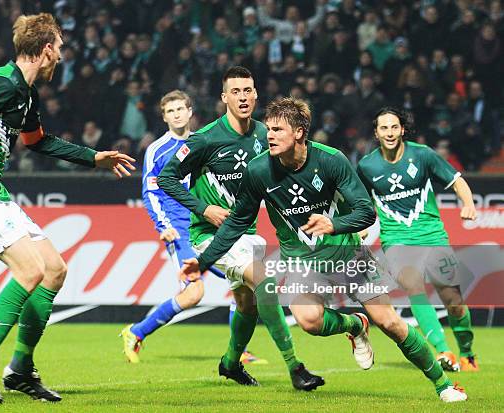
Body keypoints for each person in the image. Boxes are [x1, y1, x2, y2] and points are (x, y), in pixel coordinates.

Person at [181, 97, 467, 402]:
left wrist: (335, 225)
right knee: (309, 321)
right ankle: (356, 324)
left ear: (300, 132)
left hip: (349, 256)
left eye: (278, 129)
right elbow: (237, 222)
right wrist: (202, 261)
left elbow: (365, 212)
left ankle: (443, 384)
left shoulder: (331, 160)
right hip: (303, 263)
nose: (270, 135)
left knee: (391, 323)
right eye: (270, 129)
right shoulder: (258, 169)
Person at [0, 13, 135, 404]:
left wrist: (94, 158)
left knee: (54, 270)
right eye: (59, 48)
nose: (61, 56)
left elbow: (39, 142)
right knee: (31, 270)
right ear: (45, 50)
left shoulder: (26, 95)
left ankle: (21, 369)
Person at [158, 67, 318, 391]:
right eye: (235, 91)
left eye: (248, 91)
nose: (242, 97)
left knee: (248, 305)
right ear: (224, 98)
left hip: (249, 234)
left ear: (256, 94)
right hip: (211, 236)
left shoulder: (266, 135)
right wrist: (205, 208)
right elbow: (166, 178)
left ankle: (230, 364)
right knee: (264, 280)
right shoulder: (205, 139)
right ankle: (295, 367)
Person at [121, 90, 264, 365]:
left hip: (207, 226)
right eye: (170, 111)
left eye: (180, 109)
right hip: (179, 228)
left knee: (244, 283)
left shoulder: (205, 141)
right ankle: (136, 332)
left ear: (190, 112)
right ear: (164, 117)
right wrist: (162, 225)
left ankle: (238, 349)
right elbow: (151, 191)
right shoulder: (157, 150)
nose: (176, 114)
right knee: (194, 292)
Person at [357, 107, 477, 372]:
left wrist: (467, 203)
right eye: (383, 128)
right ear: (376, 133)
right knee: (413, 287)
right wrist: (362, 225)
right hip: (396, 239)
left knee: (454, 302)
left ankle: (467, 351)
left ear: (402, 129)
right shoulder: (366, 166)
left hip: (432, 235)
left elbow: (457, 181)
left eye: (394, 127)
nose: (389, 132)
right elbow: (360, 203)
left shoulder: (422, 155)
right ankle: (444, 351)